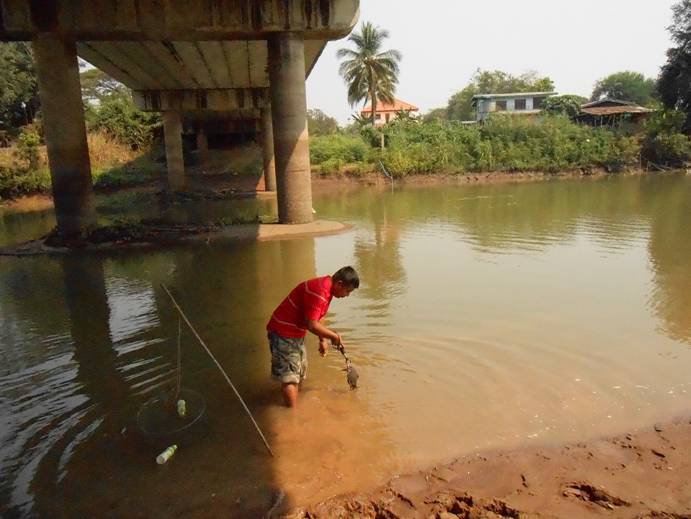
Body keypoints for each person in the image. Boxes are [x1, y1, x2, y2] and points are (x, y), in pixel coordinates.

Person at [267, 266, 359, 407]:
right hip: (283, 332)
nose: (347, 295)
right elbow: (312, 325)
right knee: (290, 378)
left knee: (299, 373)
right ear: (339, 284)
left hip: (296, 333)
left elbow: (317, 316)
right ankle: (292, 416)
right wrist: (334, 336)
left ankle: (297, 406)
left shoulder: (327, 289)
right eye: (347, 291)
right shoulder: (320, 291)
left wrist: (322, 340)